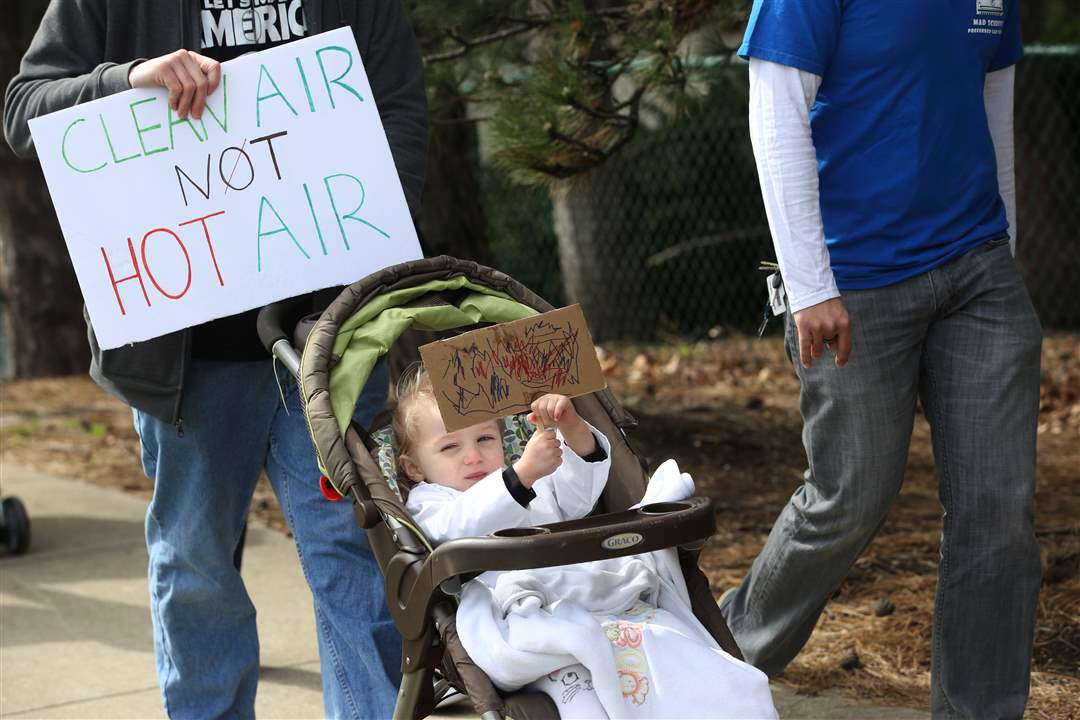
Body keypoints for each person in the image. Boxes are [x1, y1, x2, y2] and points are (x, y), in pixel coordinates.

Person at [4, 2, 427, 718]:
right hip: (185, 365)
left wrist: (366, 260)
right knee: (197, 573)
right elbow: (23, 111)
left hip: (329, 352)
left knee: (355, 563)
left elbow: (403, 122)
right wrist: (129, 79)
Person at [720, 1, 1042, 718]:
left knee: (998, 512)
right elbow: (775, 115)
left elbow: (996, 108)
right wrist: (809, 287)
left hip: (978, 270)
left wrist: (1005, 256)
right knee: (849, 497)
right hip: (852, 283)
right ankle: (718, 662)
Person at [396, 367, 778, 719]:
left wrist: (572, 428)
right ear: (414, 467)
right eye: (451, 447)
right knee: (586, 692)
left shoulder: (530, 481)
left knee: (685, 655)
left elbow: (577, 494)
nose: (474, 456)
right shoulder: (431, 503)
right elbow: (456, 528)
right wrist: (519, 477)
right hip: (527, 616)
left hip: (598, 599)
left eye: (484, 438)